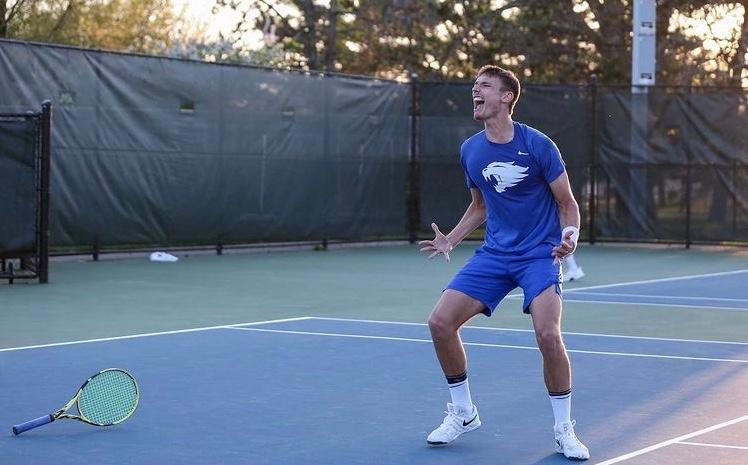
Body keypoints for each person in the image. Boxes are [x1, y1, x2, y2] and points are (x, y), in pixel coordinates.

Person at [418, 65, 589, 460]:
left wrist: (570, 236)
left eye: (485, 86)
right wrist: (451, 239)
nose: (475, 91)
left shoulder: (539, 145)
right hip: (495, 255)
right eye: (474, 86)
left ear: (507, 97)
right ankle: (463, 412)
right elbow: (479, 206)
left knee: (548, 336)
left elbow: (567, 203)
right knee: (440, 323)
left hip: (539, 255)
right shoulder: (471, 150)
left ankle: (564, 430)